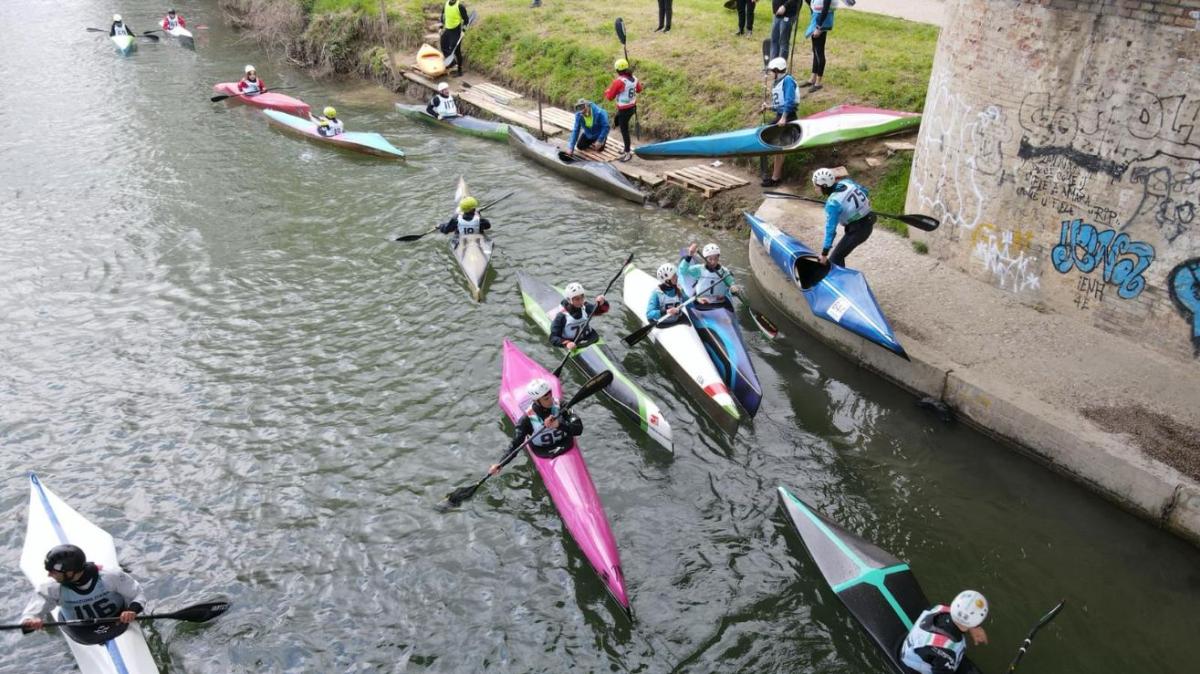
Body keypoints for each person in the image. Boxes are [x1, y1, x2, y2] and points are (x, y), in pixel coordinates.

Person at [20, 544, 146, 646]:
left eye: (53, 572)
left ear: (70, 573)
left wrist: (131, 610)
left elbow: (138, 594)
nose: (49, 575)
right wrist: (31, 620)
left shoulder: (110, 576)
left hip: (118, 620)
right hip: (81, 631)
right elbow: (32, 613)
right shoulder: (52, 587)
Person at [488, 378, 584, 473]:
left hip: (566, 443)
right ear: (536, 401)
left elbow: (579, 429)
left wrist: (559, 424)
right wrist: (500, 464)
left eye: (551, 395)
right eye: (546, 399)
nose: (551, 400)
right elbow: (515, 446)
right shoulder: (526, 420)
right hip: (543, 451)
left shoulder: (562, 406)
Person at [900, 590, 990, 674]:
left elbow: (961, 614)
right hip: (913, 668)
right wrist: (971, 625)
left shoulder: (940, 608)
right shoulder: (947, 654)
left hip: (918, 649)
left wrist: (973, 627)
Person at [813, 167, 876, 267]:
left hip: (858, 231)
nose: (815, 189)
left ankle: (841, 281)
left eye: (817, 186)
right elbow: (865, 191)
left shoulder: (832, 204)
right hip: (869, 219)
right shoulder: (847, 182)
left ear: (824, 186)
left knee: (835, 259)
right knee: (839, 256)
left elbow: (831, 230)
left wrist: (824, 254)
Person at [760, 57, 799, 187]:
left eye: (772, 71)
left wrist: (784, 117)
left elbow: (789, 101)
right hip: (780, 115)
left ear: (777, 70)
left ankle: (775, 178)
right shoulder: (778, 81)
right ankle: (773, 176)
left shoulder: (788, 80)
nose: (770, 73)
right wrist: (769, 107)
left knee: (779, 148)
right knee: (772, 144)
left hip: (788, 117)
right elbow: (779, 104)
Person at [603, 59, 644, 162]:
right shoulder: (634, 78)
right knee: (618, 121)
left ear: (617, 70)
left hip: (624, 110)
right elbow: (639, 89)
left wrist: (607, 92)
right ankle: (615, 124)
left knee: (624, 130)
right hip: (632, 108)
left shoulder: (619, 81)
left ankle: (627, 152)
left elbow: (610, 97)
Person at [549, 282, 609, 351]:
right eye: (577, 299)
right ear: (569, 300)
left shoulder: (585, 306)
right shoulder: (562, 316)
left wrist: (602, 303)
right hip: (572, 342)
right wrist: (567, 344)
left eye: (582, 297)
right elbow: (553, 337)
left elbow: (602, 310)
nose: (581, 301)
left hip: (590, 338)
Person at [802, 0, 834, 91]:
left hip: (820, 24)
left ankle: (818, 82)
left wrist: (819, 27)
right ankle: (812, 78)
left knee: (819, 52)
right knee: (815, 50)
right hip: (816, 21)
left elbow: (825, 8)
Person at [439, 0, 470, 77]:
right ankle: (452, 63)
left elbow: (466, 20)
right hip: (448, 29)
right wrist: (441, 27)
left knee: (456, 50)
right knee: (443, 45)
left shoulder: (460, 6)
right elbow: (443, 16)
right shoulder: (446, 4)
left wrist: (463, 30)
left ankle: (460, 71)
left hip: (456, 31)